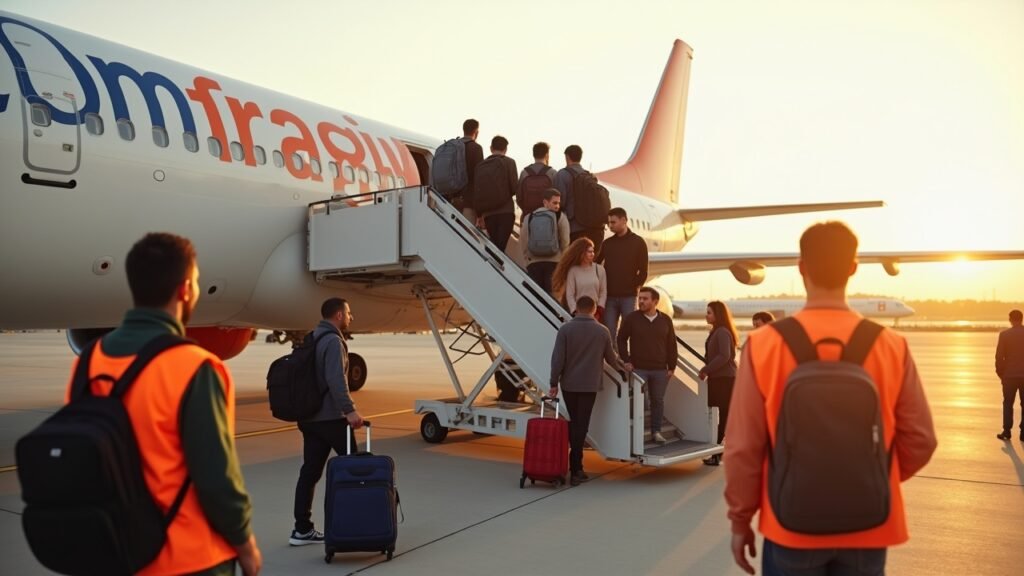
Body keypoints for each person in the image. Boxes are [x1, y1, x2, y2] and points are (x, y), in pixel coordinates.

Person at [724, 221, 937, 576]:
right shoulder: (891, 345)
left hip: (790, 522)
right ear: (853, 268)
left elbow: (742, 446)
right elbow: (921, 440)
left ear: (801, 267)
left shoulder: (763, 345)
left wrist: (740, 519)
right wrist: (869, 478)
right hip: (870, 523)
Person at [67, 232, 262, 575]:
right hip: (188, 559)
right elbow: (217, 480)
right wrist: (245, 544)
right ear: (185, 290)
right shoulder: (196, 367)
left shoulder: (88, 362)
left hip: (115, 549)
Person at [290, 297, 365, 546]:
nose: (351, 317)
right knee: (354, 470)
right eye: (349, 312)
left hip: (310, 418)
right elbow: (336, 380)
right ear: (339, 315)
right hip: (332, 419)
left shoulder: (312, 337)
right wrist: (350, 410)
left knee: (310, 473)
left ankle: (301, 529)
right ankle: (357, 525)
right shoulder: (333, 341)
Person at [549, 295, 620, 486]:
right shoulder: (602, 331)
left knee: (574, 423)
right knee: (582, 425)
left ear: (576, 309)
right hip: (589, 386)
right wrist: (624, 368)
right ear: (594, 310)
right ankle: (576, 469)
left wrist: (553, 383)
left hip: (569, 385)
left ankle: (573, 466)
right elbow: (611, 359)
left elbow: (557, 359)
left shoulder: (565, 329)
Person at [617, 287, 678, 445]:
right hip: (639, 369)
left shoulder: (665, 320)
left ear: (655, 301)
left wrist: (672, 367)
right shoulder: (632, 318)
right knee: (639, 400)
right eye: (640, 298)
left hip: (660, 370)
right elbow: (621, 339)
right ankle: (638, 432)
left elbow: (672, 344)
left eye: (645, 299)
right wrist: (626, 360)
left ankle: (656, 432)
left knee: (657, 401)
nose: (641, 301)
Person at [596, 207, 648, 341]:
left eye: (613, 222)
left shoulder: (638, 242)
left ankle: (624, 354)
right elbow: (596, 264)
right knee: (609, 332)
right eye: (609, 223)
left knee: (627, 332)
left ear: (624, 220)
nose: (610, 226)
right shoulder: (607, 244)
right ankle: (613, 355)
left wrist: (634, 286)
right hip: (609, 297)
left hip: (629, 297)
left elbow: (643, 271)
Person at [699, 300, 738, 466]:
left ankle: (717, 453)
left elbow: (724, 356)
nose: (706, 315)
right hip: (719, 378)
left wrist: (706, 369)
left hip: (724, 379)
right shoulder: (716, 331)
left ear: (718, 315)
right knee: (721, 415)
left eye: (709, 312)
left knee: (723, 415)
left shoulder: (722, 332)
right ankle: (718, 452)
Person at [520, 188, 570, 294]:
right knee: (550, 297)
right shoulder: (560, 217)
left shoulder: (529, 217)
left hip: (533, 263)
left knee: (534, 296)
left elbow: (524, 240)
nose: (557, 206)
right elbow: (565, 241)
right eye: (554, 203)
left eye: (559, 203)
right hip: (554, 262)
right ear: (545, 202)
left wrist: (527, 259)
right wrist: (561, 259)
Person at [556, 144, 605, 251]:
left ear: (567, 157)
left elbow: (560, 202)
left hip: (573, 228)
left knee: (572, 260)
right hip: (592, 229)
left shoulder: (562, 175)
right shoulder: (590, 176)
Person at [475, 135, 519, 252]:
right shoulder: (510, 162)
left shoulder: (481, 165)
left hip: (488, 214)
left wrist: (479, 214)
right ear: (505, 149)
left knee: (493, 246)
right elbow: (515, 188)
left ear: (491, 148)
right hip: (506, 212)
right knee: (500, 249)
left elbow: (478, 191)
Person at [551, 237, 607, 318]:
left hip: (595, 314)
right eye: (589, 252)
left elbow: (603, 292)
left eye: (593, 251)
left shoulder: (599, 269)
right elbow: (569, 294)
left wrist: (598, 311)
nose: (592, 254)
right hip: (576, 314)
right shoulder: (572, 271)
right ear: (581, 253)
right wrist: (575, 311)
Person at [995, 309, 1024, 441]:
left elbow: (999, 356)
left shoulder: (1004, 335)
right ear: (1022, 319)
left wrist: (1001, 373)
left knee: (1008, 403)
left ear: (1010, 319)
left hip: (1009, 376)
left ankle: (1007, 430)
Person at [518, 141, 559, 216]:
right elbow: (557, 198)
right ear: (547, 155)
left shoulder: (524, 173)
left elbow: (519, 198)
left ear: (533, 155)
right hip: (548, 216)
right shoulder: (552, 173)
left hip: (529, 215)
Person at [459, 118, 485, 225]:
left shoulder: (454, 146)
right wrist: (480, 212)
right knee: (466, 232)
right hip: (468, 202)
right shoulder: (476, 148)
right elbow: (479, 178)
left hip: (449, 201)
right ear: (476, 132)